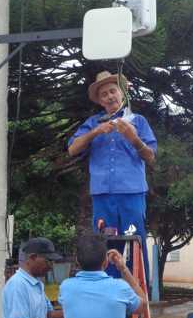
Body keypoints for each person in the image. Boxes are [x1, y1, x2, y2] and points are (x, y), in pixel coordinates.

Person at [67, 70, 157, 282]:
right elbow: (72, 149)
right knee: (104, 245)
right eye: (104, 94)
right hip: (102, 196)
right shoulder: (92, 123)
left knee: (135, 243)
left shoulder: (138, 120)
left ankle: (138, 298)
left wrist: (133, 138)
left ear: (122, 93)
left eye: (112, 91)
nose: (109, 96)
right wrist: (96, 132)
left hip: (131, 194)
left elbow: (150, 156)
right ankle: (107, 294)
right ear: (99, 100)